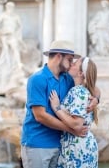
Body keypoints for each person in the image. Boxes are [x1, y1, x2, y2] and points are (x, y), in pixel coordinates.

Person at [20, 40, 100, 168]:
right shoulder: (37, 79)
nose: (71, 64)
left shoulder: (67, 79)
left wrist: (96, 99)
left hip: (60, 146)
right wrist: (72, 129)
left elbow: (92, 85)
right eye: (69, 59)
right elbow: (40, 116)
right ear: (58, 56)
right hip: (37, 144)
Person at [49, 56, 99, 167]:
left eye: (75, 64)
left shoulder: (78, 92)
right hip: (81, 144)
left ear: (81, 73)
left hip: (77, 146)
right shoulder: (83, 90)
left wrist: (56, 108)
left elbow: (77, 124)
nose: (71, 64)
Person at [0, 1, 24, 69]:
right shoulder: (3, 15)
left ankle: (18, 63)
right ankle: (8, 64)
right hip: (4, 35)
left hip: (12, 35)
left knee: (15, 48)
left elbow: (20, 26)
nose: (10, 8)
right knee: (5, 50)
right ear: (6, 7)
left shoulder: (16, 16)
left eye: (11, 7)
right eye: (8, 7)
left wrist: (18, 35)